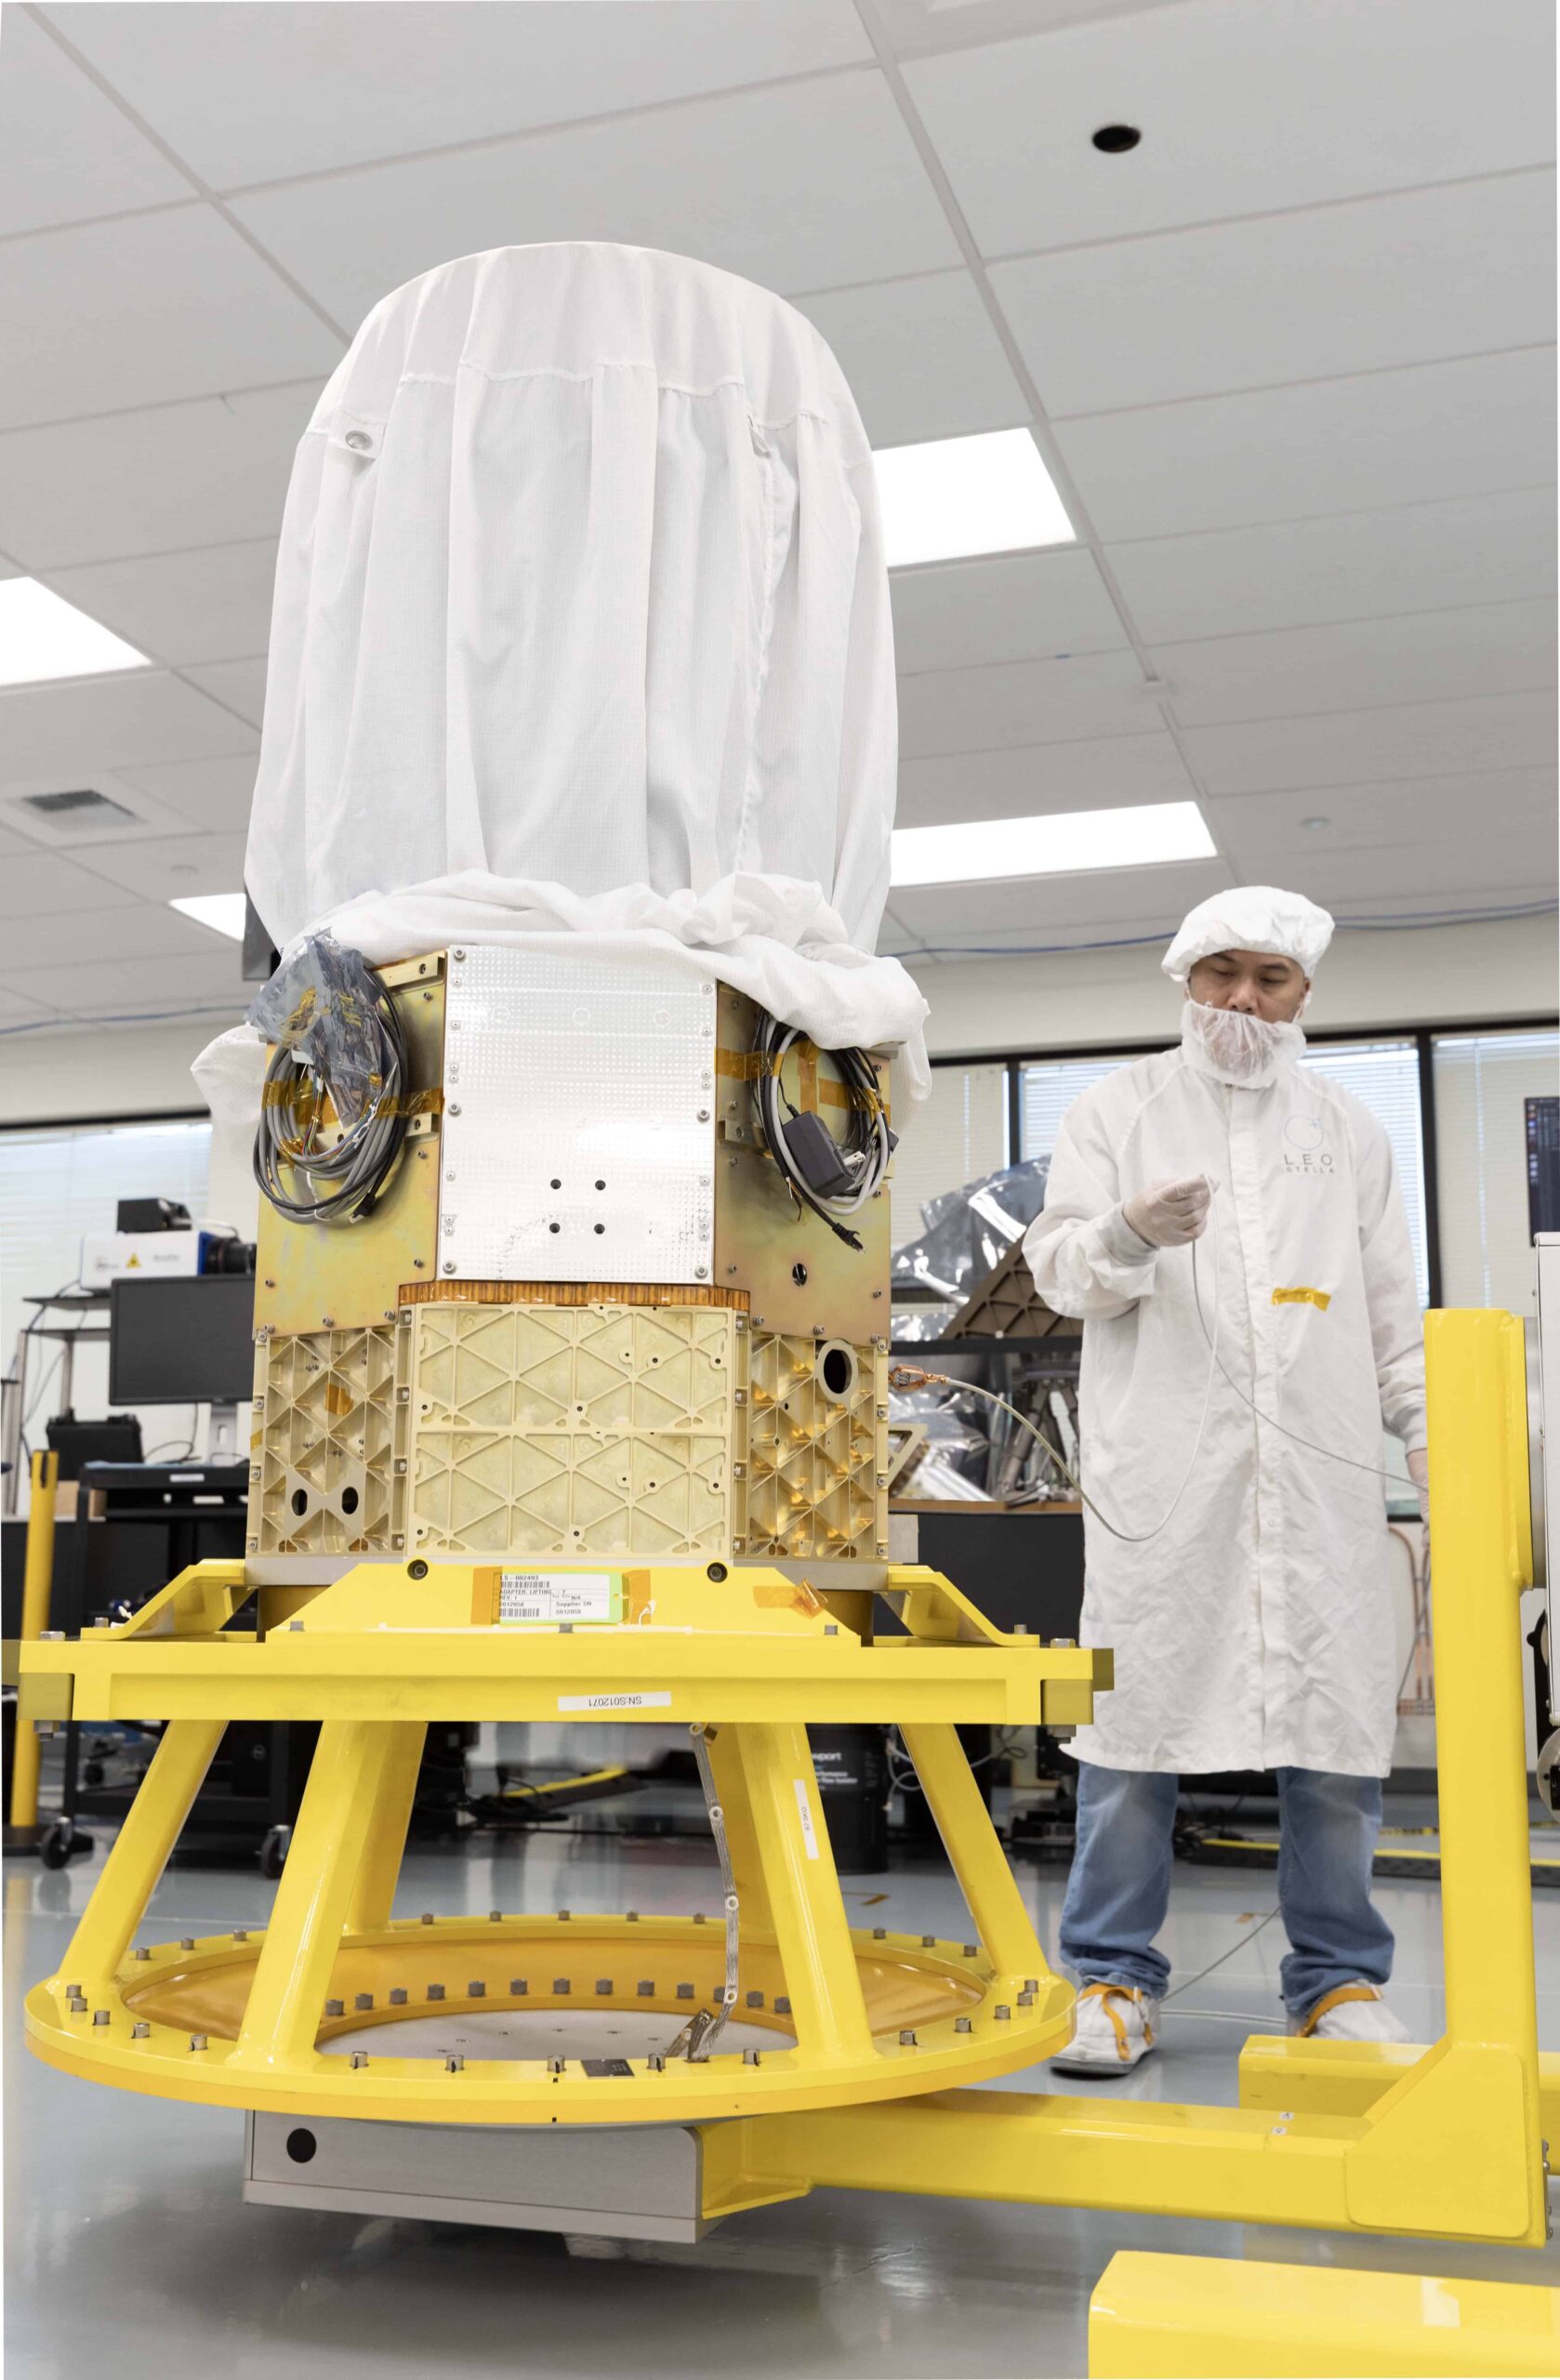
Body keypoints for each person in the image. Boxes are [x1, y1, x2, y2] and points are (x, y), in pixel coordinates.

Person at [1024, 886, 1428, 2073]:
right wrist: (1128, 1233)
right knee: (1132, 1730)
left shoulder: (1346, 1131)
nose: (1242, 1000)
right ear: (1184, 978)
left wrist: (1431, 1443)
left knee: (1332, 1731)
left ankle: (1336, 1980)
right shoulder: (1117, 1111)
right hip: (1167, 1480)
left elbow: (1391, 1315)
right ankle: (1109, 1979)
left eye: (1269, 978)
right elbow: (1058, 1275)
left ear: (1304, 993)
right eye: (1221, 974)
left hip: (1320, 1478)